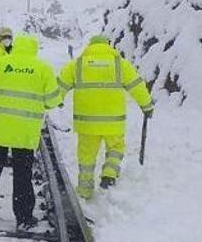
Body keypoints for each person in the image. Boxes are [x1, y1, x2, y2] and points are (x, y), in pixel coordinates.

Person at [0, 33, 61, 229]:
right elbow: (53, 100)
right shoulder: (42, 68)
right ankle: (23, 218)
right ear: (34, 48)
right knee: (23, 175)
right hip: (25, 132)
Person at [57, 35, 154, 199]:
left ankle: (85, 191)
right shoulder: (120, 64)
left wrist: (54, 101)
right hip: (113, 122)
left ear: (90, 46)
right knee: (115, 148)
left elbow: (59, 86)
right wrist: (147, 106)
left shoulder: (77, 64)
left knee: (86, 157)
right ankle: (109, 174)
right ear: (108, 45)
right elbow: (137, 85)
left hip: (87, 123)